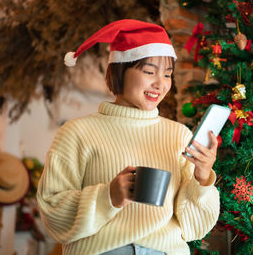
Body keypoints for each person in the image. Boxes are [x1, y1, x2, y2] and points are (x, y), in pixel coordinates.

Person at [36, 19, 220, 255]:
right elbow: (52, 214)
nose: (160, 84)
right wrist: (108, 197)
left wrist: (202, 178)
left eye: (167, 74)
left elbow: (196, 228)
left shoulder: (179, 136)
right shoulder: (77, 132)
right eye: (149, 71)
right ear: (120, 71)